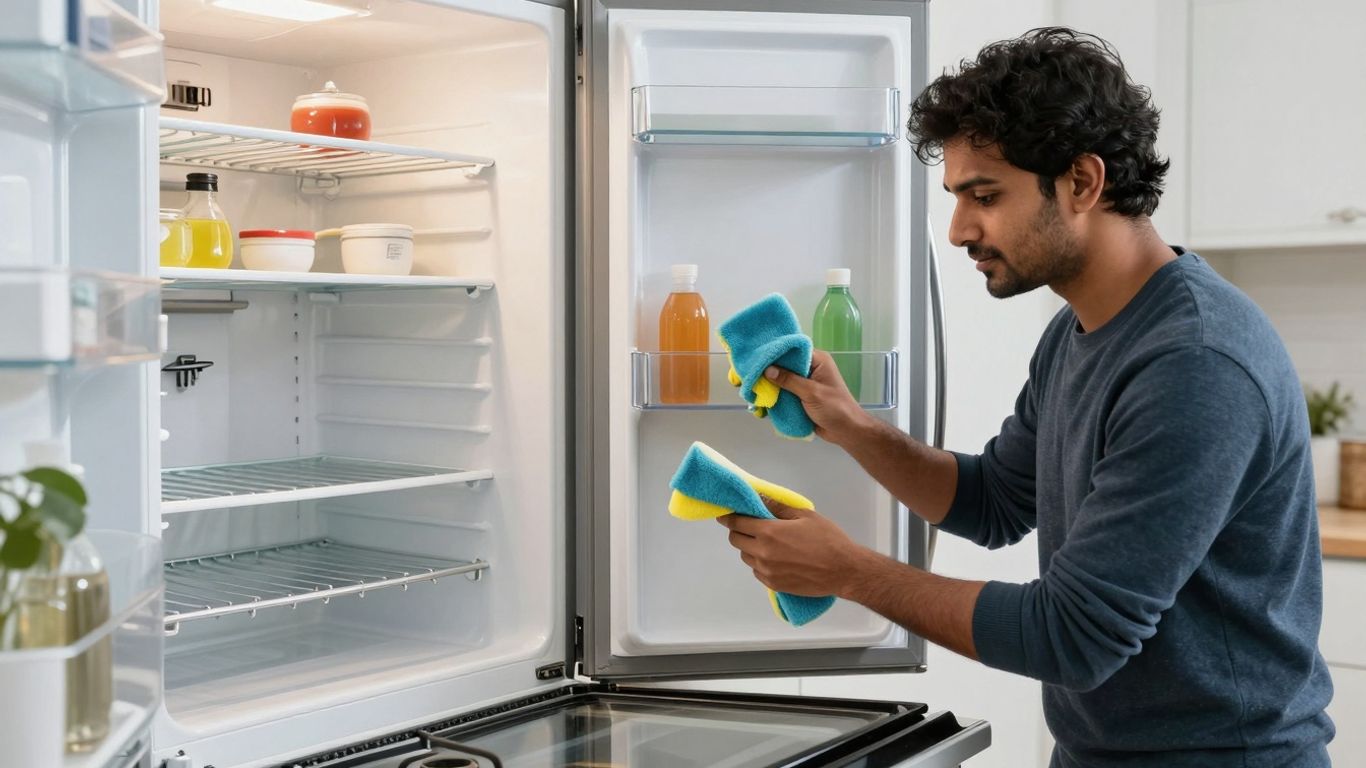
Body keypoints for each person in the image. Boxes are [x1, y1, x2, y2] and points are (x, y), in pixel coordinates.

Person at [718, 27, 1334, 767]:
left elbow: (1072, 635)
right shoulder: (1081, 330)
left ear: (1082, 182)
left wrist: (850, 572)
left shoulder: (1195, 364)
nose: (958, 230)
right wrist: (851, 426)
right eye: (956, 198)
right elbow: (997, 502)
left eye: (984, 196)